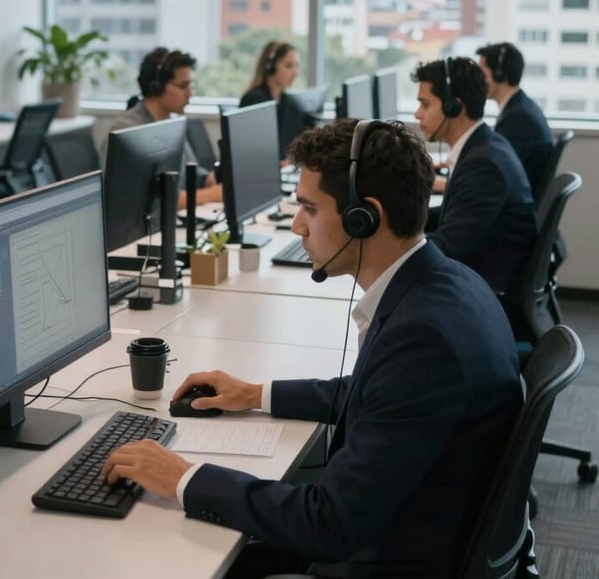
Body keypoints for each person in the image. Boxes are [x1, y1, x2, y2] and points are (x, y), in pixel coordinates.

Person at [102, 118, 523, 578]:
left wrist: (183, 477)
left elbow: (328, 524)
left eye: (309, 208)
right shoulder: (443, 282)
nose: (298, 225)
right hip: (412, 530)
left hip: (384, 560)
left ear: (365, 216)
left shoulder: (424, 340)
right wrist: (257, 394)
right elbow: (378, 394)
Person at [411, 57, 537, 306]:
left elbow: (450, 245)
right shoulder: (483, 145)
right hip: (485, 274)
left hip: (487, 291)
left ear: (453, 107)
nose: (417, 114)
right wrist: (400, 223)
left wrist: (388, 250)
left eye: (425, 104)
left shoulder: (483, 164)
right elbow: (455, 216)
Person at [103, 47, 221, 208]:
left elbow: (193, 175)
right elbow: (158, 201)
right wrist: (214, 193)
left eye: (191, 85)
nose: (190, 94)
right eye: (183, 86)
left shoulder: (171, 123)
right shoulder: (128, 131)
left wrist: (213, 179)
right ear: (156, 86)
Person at [476, 41, 553, 200]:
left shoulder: (518, 118)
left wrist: (445, 183)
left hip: (513, 209)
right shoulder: (520, 107)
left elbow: (497, 174)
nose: (477, 80)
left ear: (499, 75)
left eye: (481, 74)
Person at [239, 40, 300, 108]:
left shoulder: (287, 100)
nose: (296, 72)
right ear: (270, 67)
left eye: (297, 65)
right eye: (289, 66)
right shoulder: (253, 99)